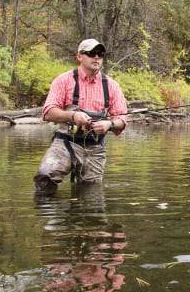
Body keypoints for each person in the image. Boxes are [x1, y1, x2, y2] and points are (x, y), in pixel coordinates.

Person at [34, 38, 127, 195]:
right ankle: (51, 216)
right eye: (91, 53)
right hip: (65, 143)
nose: (96, 57)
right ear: (79, 56)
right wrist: (72, 115)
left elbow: (122, 120)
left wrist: (108, 125)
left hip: (95, 148)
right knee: (45, 178)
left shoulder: (111, 86)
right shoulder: (63, 80)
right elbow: (48, 112)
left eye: (100, 54)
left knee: (90, 195)